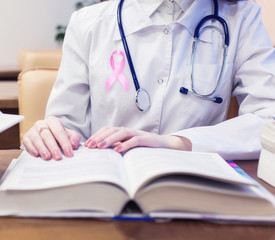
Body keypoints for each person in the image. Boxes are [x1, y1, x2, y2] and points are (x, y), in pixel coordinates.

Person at [22, 0, 275, 161]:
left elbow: (269, 120)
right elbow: (67, 125)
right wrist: (51, 134)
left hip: (196, 185)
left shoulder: (242, 18)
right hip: (108, 187)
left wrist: (177, 142)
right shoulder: (88, 23)